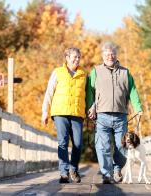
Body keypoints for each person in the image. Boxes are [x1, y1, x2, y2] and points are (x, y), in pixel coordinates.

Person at [86, 42, 143, 184]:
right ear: (102, 56)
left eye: (112, 54)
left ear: (116, 55)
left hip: (121, 115)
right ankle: (106, 174)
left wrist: (138, 108)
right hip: (101, 115)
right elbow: (90, 92)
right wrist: (90, 107)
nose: (110, 56)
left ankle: (117, 169)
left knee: (122, 145)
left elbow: (132, 91)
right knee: (103, 146)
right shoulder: (96, 71)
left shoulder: (125, 72)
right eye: (106, 54)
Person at [42, 47, 86, 183]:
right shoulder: (58, 72)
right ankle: (64, 172)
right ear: (67, 58)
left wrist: (92, 108)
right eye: (74, 57)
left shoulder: (83, 74)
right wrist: (45, 111)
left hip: (77, 113)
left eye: (79, 57)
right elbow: (49, 92)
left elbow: (88, 94)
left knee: (78, 144)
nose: (77, 59)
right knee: (63, 142)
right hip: (60, 112)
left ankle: (73, 169)